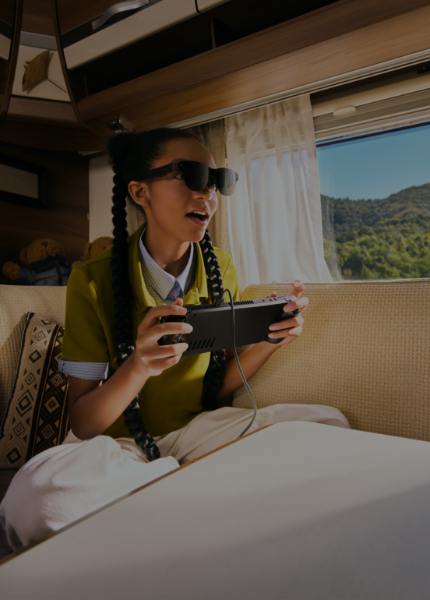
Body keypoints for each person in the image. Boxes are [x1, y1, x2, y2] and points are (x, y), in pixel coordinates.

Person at [0, 127, 349, 550]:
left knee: (327, 426)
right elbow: (84, 422)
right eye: (191, 175)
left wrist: (269, 340)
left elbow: (217, 384)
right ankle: (184, 486)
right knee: (34, 502)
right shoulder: (91, 280)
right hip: (116, 447)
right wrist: (137, 366)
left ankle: (166, 491)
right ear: (140, 192)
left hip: (198, 431)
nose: (208, 194)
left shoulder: (222, 267)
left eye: (216, 181)